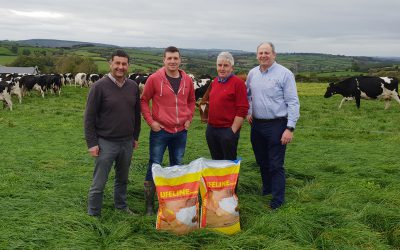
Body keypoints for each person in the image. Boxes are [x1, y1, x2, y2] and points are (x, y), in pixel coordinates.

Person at [84, 49, 141, 217]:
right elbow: (89, 118)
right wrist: (92, 143)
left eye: (124, 64)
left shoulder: (132, 86)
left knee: (122, 179)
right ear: (110, 64)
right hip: (105, 143)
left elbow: (136, 114)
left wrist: (135, 137)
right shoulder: (98, 87)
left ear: (128, 65)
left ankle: (121, 207)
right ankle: (94, 213)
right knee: (99, 182)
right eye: (117, 63)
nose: (120, 67)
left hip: (127, 142)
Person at [140, 46, 196, 215]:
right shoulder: (155, 79)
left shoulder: (187, 80)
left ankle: (173, 201)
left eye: (175, 58)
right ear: (164, 60)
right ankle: (150, 204)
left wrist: (189, 118)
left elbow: (192, 101)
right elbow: (143, 101)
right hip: (160, 131)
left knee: (177, 166)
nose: (172, 61)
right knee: (154, 164)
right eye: (169, 58)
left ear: (180, 60)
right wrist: (151, 122)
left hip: (180, 132)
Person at [246, 42, 300, 209]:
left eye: (267, 53)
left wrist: (290, 128)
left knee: (276, 164)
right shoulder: (252, 73)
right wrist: (248, 111)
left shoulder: (285, 74)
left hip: (277, 124)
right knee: (262, 161)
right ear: (257, 55)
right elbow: (247, 95)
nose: (263, 56)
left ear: (274, 55)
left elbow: (293, 102)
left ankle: (277, 200)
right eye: (261, 53)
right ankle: (267, 189)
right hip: (257, 124)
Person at [206, 52, 249, 160]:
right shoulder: (215, 81)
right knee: (215, 161)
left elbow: (242, 109)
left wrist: (232, 131)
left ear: (232, 68)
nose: (222, 68)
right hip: (212, 129)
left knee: (229, 164)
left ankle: (232, 178)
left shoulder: (238, 83)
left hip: (227, 130)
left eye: (226, 65)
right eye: (219, 65)